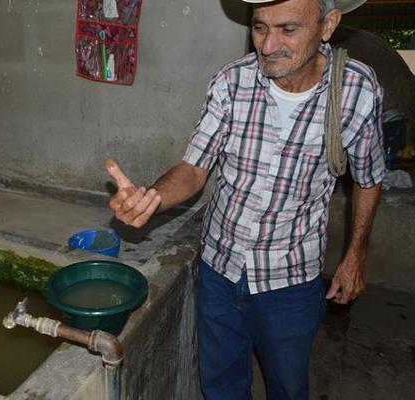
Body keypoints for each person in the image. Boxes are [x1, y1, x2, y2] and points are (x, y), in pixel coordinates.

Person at [106, 0, 385, 398]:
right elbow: (194, 169)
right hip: (220, 269)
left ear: (328, 25)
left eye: (288, 30)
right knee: (220, 385)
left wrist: (355, 255)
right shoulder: (231, 81)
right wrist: (151, 198)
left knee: (287, 388)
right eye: (259, 28)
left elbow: (369, 179)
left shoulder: (357, 90)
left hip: (290, 279)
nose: (268, 45)